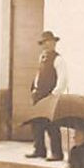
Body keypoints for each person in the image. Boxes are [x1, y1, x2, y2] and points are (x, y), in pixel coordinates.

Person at [25, 31, 68, 161]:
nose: (46, 45)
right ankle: (39, 149)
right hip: (39, 95)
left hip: (50, 96)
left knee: (52, 125)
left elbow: (63, 79)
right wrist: (34, 89)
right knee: (37, 124)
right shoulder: (42, 57)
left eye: (49, 42)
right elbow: (39, 74)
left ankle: (57, 153)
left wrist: (54, 94)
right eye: (44, 43)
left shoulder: (58, 59)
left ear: (54, 43)